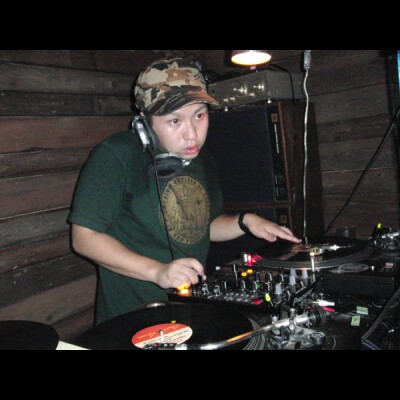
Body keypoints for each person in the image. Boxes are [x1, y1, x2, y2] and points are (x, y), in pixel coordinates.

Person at [68, 57, 302, 325]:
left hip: (189, 311)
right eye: (174, 121)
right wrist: (157, 272)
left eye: (199, 115)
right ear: (144, 123)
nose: (192, 135)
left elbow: (204, 226)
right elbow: (84, 238)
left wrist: (246, 221)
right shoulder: (116, 155)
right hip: (133, 320)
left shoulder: (202, 160)